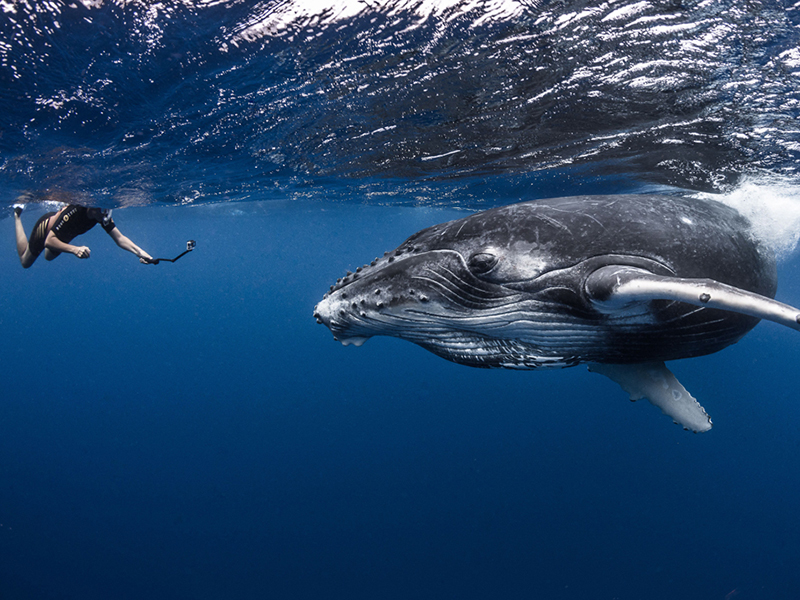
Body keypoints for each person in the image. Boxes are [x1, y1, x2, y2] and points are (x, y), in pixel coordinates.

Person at [13, 203, 153, 268]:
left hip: (62, 236)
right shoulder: (76, 210)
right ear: (94, 208)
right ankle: (17, 216)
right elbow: (48, 241)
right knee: (25, 262)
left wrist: (141, 253)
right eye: (104, 211)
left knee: (48, 257)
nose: (106, 215)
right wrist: (75, 249)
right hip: (47, 230)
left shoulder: (101, 216)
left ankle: (59, 244)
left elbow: (120, 238)